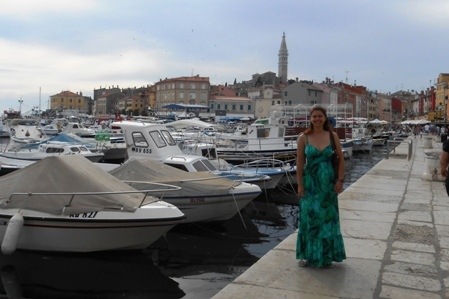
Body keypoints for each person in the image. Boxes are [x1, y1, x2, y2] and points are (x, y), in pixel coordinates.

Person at [296, 106, 346, 268]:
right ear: (310, 119)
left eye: (320, 116)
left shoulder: (333, 136)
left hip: (328, 185)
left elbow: (340, 158)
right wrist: (300, 185)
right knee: (309, 218)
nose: (317, 119)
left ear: (325, 118)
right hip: (310, 184)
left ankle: (326, 255)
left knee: (328, 219)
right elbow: (300, 163)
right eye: (314, 116)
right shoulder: (303, 137)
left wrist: (340, 180)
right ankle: (307, 254)